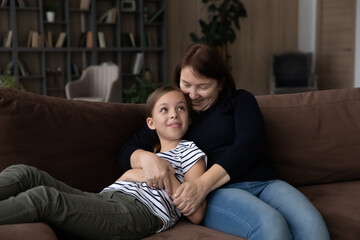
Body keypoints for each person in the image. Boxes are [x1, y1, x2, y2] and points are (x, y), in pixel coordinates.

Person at [118, 43, 330, 240]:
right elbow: (126, 150)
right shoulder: (176, 116)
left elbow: (250, 145)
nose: (193, 95)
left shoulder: (240, 101)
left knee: (314, 227)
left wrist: (201, 184)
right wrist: (147, 158)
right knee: (271, 225)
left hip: (265, 183)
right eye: (186, 85)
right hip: (219, 193)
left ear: (220, 84)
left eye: (203, 86)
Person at [0, 86, 207, 239]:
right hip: (107, 198)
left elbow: (197, 214)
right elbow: (126, 178)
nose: (173, 114)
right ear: (150, 123)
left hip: (141, 212)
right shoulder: (146, 154)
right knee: (25, 173)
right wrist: (136, 173)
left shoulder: (189, 152)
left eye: (181, 108)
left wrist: (167, 175)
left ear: (189, 119)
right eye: (164, 109)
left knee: (44, 199)